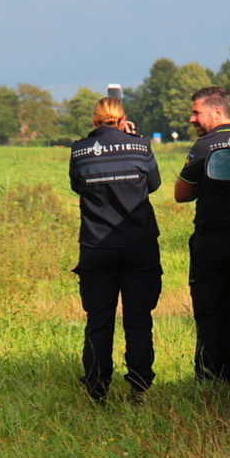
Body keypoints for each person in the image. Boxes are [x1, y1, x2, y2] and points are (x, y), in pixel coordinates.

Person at [69, 97, 162, 402]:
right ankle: (139, 389)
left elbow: (77, 186)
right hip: (139, 246)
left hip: (96, 248)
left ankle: (97, 391)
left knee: (98, 322)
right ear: (123, 121)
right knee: (138, 321)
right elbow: (153, 184)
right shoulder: (141, 146)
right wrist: (131, 139)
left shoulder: (80, 151)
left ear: (94, 121)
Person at [173, 86, 230, 384]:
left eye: (196, 112)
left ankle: (211, 378)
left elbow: (181, 194)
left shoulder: (203, 148)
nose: (192, 119)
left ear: (217, 111)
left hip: (212, 243)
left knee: (210, 309)